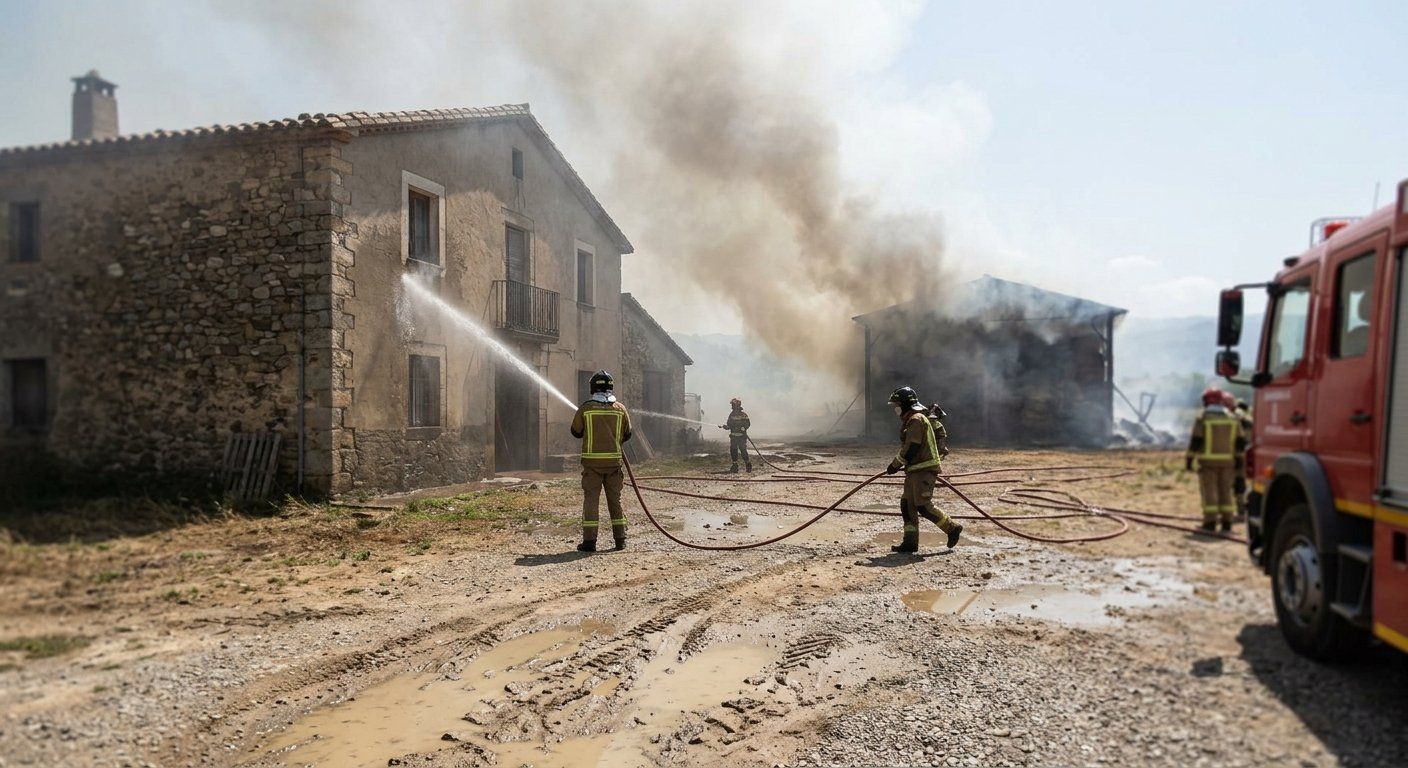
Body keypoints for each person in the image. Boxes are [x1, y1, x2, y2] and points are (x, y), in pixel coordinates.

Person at [885, 386, 962, 553]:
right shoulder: (913, 419)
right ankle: (910, 542)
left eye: (897, 404)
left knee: (923, 505)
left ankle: (952, 528)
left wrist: (894, 465)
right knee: (907, 505)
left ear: (905, 404)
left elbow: (912, 446)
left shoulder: (916, 420)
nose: (895, 409)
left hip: (923, 470)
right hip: (914, 470)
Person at [570, 370, 633, 552]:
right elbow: (628, 434)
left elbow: (575, 432)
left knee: (591, 501)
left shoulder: (586, 408)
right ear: (611, 387)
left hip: (592, 466)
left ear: (592, 387)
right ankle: (620, 539)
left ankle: (590, 542)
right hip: (614, 465)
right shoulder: (620, 409)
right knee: (615, 500)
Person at [1186, 387, 1245, 533]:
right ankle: (1227, 523)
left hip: (1208, 463)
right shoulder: (1233, 419)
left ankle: (1210, 522)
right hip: (1228, 462)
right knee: (1226, 492)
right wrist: (1239, 459)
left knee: (1210, 493)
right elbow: (1240, 442)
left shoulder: (1203, 419)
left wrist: (1189, 460)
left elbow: (1196, 441)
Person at [720, 397, 752, 473]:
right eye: (732, 405)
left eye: (733, 405)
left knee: (743, 450)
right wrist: (726, 427)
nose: (732, 407)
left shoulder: (743, 415)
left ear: (737, 405)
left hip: (741, 437)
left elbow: (748, 424)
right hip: (734, 437)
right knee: (733, 450)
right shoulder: (731, 415)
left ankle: (748, 464)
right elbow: (729, 425)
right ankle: (735, 466)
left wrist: (744, 428)